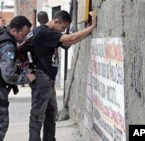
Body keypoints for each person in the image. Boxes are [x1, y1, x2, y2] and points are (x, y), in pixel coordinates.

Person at [28, 10, 97, 141]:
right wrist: (92, 27)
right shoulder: (43, 32)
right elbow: (70, 38)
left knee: (51, 112)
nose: (63, 31)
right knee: (38, 114)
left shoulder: (50, 33)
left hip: (48, 79)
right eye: (63, 27)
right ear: (56, 21)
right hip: (42, 77)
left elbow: (68, 43)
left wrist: (87, 32)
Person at [0, 15, 35, 141]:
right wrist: (26, 77)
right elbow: (8, 75)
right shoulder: (7, 44)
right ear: (13, 30)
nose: (23, 38)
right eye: (23, 35)